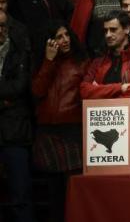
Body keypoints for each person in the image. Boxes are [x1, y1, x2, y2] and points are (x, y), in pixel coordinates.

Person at [31, 21, 90, 219]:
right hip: (48, 132)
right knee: (54, 192)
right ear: (50, 42)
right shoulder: (42, 62)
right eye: (59, 37)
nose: (65, 40)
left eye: (66, 35)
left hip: (73, 129)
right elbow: (37, 91)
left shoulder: (81, 61)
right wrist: (49, 61)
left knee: (73, 187)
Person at [80, 12, 130, 144]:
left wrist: (98, 92)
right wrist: (120, 88)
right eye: (105, 30)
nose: (108, 35)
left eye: (113, 30)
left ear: (126, 29)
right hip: (102, 129)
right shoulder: (97, 63)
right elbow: (84, 91)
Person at [0, 9, 34, 222]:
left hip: (15, 131)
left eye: (3, 26)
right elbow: (10, 89)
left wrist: (9, 95)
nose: (0, 30)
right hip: (10, 118)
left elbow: (19, 88)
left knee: (20, 197)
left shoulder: (20, 51)